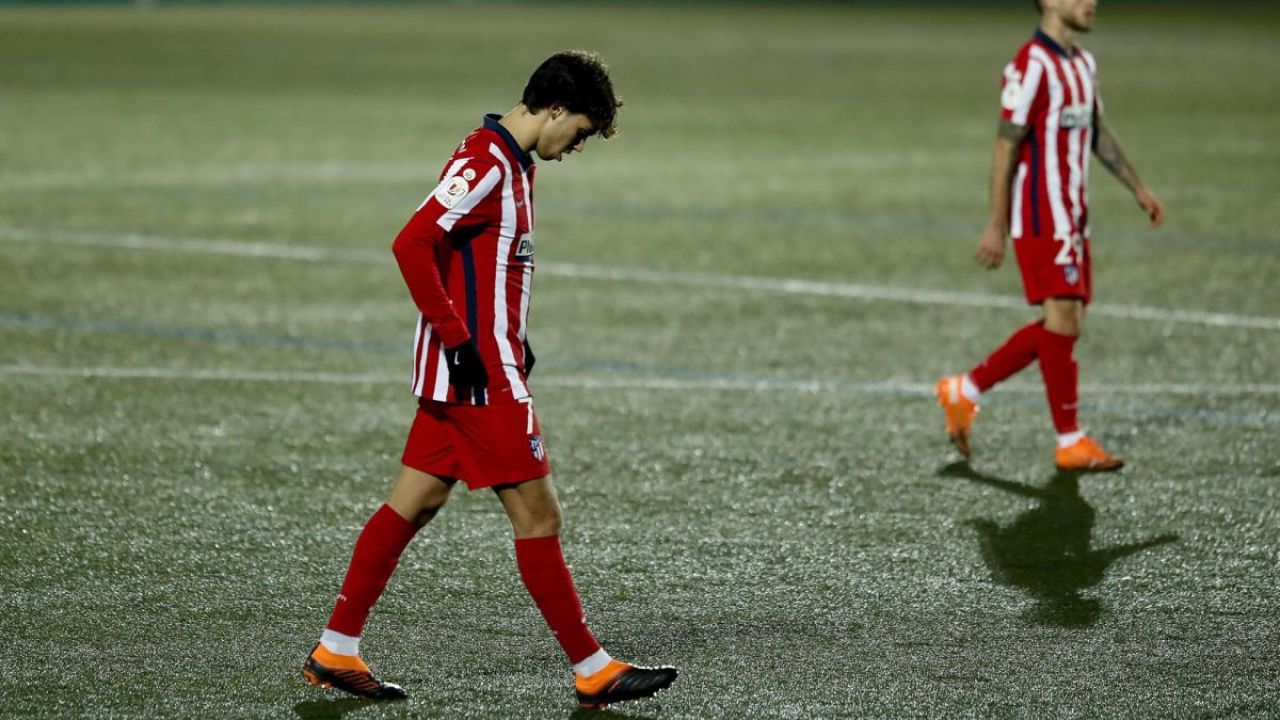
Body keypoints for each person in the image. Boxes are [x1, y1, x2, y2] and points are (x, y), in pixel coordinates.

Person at [301, 50, 677, 710]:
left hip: (469, 371)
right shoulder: (488, 161)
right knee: (539, 516)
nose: (577, 146)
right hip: (479, 378)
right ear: (554, 109)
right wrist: (462, 341)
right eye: (581, 132)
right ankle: (592, 668)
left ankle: (337, 647)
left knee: (412, 504)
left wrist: (510, 333)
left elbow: (481, 264)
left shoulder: (510, 160)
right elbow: (412, 242)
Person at [936, 0, 1165, 472]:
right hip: (1041, 215)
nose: (1091, 2)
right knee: (1062, 321)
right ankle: (1069, 441)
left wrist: (1137, 187)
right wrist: (996, 225)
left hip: (1074, 216)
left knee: (1067, 326)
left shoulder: (1082, 63)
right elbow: (1006, 144)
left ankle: (965, 391)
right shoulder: (1030, 65)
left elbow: (1096, 131)